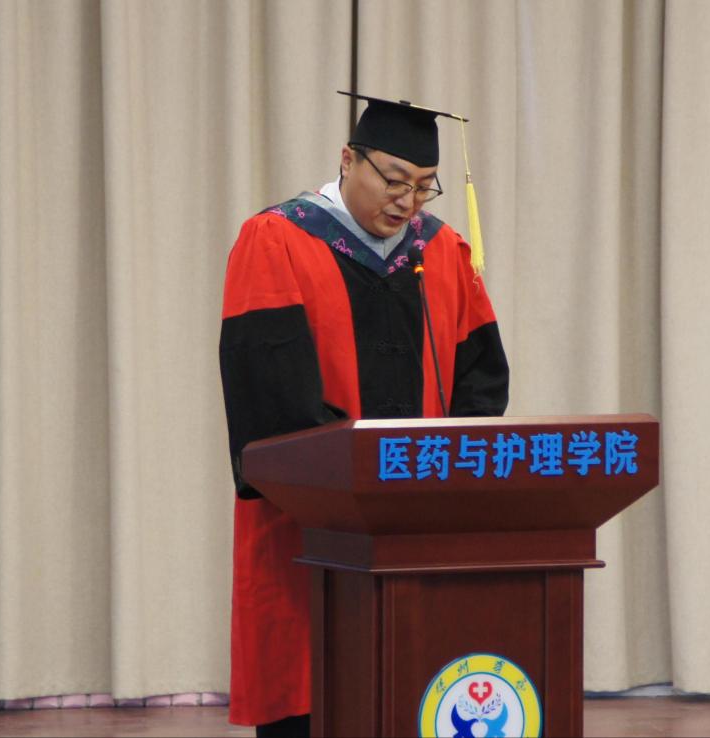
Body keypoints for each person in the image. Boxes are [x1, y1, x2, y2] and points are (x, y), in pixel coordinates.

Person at [218, 93, 510, 737]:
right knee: (312, 689)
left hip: (417, 523)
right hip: (309, 523)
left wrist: (444, 482)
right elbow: (270, 394)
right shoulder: (277, 239)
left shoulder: (443, 250)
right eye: (395, 180)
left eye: (425, 186)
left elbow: (481, 382)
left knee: (415, 688)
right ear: (348, 160)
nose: (408, 201)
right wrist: (356, 483)